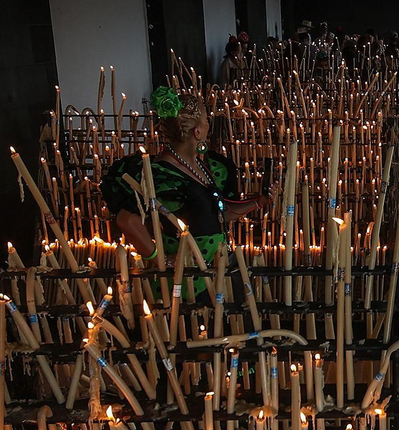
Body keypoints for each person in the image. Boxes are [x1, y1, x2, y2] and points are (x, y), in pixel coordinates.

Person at [102, 86, 272, 298]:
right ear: (197, 132)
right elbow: (127, 220)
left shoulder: (205, 166)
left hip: (217, 272)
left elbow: (219, 216)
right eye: (206, 120)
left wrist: (258, 202)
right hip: (188, 283)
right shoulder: (161, 175)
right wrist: (160, 258)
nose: (209, 125)